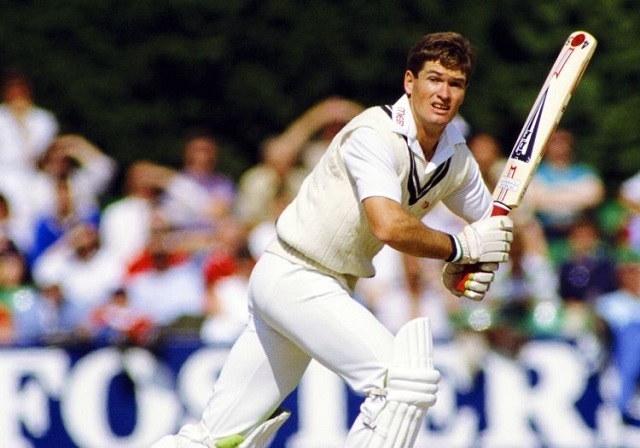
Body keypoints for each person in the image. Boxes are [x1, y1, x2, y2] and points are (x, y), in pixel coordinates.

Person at [152, 32, 513, 448]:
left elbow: (493, 230)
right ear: (409, 82)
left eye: (456, 83)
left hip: (321, 285)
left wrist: (474, 260)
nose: (444, 93)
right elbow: (389, 225)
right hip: (296, 274)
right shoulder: (373, 134)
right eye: (434, 79)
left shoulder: (456, 157)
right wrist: (460, 250)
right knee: (403, 380)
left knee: (217, 438)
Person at [528, 128, 605, 263]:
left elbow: (594, 198)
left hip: (578, 225)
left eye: (563, 142)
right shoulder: (535, 174)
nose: (560, 147)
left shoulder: (585, 172)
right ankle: (539, 265)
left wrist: (551, 197)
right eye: (555, 142)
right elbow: (533, 201)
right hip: (545, 228)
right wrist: (573, 197)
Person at [0, 67, 59, 173]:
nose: (16, 93)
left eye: (20, 88)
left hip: (37, 175)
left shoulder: (45, 120)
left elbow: (47, 152)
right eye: (12, 88)